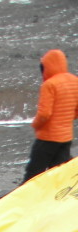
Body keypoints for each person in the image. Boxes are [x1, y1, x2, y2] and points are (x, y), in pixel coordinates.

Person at [23, 49, 78, 182]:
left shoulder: (49, 84)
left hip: (47, 137)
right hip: (65, 137)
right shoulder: (75, 81)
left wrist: (35, 125)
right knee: (59, 175)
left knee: (34, 174)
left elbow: (44, 114)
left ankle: (26, 200)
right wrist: (65, 119)